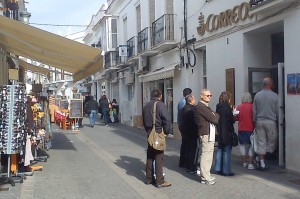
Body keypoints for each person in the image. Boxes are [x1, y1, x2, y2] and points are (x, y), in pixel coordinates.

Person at [142, 90, 172, 188]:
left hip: (149, 133)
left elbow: (144, 120)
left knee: (150, 156)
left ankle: (149, 179)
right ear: (160, 96)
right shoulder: (160, 105)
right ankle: (160, 180)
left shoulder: (146, 106)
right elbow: (167, 120)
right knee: (159, 157)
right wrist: (166, 132)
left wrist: (148, 131)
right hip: (158, 133)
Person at [194, 89, 219, 185]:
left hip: (209, 132)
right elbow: (214, 119)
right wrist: (213, 116)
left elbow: (216, 115)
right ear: (201, 96)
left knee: (209, 154)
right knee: (206, 154)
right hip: (205, 133)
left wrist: (214, 115)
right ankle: (205, 176)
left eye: (210, 95)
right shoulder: (201, 106)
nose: (209, 97)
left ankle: (206, 174)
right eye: (207, 95)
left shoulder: (206, 106)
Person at [253, 77, 278, 170]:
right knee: (273, 141)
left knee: (261, 141)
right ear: (270, 85)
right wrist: (280, 121)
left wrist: (254, 120)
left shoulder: (257, 95)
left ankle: (260, 158)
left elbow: (254, 110)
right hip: (271, 121)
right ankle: (262, 160)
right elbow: (278, 111)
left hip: (259, 121)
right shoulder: (275, 96)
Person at [214, 92, 235, 176]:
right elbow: (231, 120)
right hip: (227, 131)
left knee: (219, 150)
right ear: (228, 98)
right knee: (226, 151)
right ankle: (226, 170)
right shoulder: (227, 108)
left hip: (220, 131)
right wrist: (233, 113)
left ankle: (218, 168)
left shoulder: (218, 107)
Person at [235, 92, 255, 170]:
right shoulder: (253, 107)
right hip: (251, 129)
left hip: (241, 128)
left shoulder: (238, 107)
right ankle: (250, 163)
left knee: (242, 146)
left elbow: (236, 118)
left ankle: (244, 162)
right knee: (251, 146)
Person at [182, 94, 199, 173]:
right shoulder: (193, 109)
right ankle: (192, 167)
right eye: (194, 99)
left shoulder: (184, 108)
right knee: (193, 150)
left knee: (188, 149)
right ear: (191, 101)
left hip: (186, 132)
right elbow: (195, 121)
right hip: (193, 132)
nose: (195, 101)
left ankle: (188, 166)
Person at [177, 88, 192, 168]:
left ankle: (183, 161)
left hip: (181, 124)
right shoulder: (184, 102)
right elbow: (185, 114)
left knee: (184, 143)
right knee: (186, 143)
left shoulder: (180, 101)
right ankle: (184, 161)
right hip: (184, 125)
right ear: (189, 94)